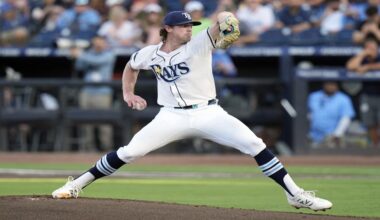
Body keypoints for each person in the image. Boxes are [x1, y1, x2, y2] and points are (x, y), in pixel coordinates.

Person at [52, 10, 332, 211]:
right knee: (130, 152)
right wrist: (128, 92)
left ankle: (295, 194)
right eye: (185, 26)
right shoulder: (150, 53)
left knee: (255, 144)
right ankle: (77, 184)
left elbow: (222, 17)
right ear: (169, 29)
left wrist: (226, 19)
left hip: (208, 112)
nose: (190, 29)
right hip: (171, 115)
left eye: (191, 25)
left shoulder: (199, 43)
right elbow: (131, 66)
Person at [71, 35, 116, 151]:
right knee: (86, 122)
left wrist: (80, 55)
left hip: (103, 92)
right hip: (87, 91)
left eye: (100, 43)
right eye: (96, 43)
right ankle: (88, 148)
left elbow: (98, 62)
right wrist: (77, 56)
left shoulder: (109, 54)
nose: (98, 45)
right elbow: (79, 66)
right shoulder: (89, 54)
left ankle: (106, 148)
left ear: (105, 43)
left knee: (104, 122)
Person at [346, 37, 380, 147]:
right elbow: (350, 66)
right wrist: (362, 54)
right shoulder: (363, 58)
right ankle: (375, 146)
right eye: (368, 47)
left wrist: (368, 67)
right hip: (367, 95)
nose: (371, 49)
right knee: (370, 124)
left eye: (373, 47)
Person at [307, 81, 355, 148]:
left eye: (333, 84)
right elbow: (307, 115)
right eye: (328, 84)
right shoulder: (314, 96)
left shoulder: (343, 99)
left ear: (337, 86)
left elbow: (346, 118)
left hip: (331, 137)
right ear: (324, 84)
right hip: (313, 136)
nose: (331, 87)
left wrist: (337, 134)